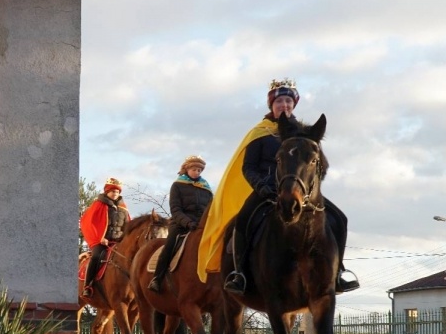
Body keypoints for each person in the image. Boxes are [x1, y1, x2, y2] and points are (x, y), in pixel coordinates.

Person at [197, 78, 359, 295]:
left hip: (301, 193)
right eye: (279, 101)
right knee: (242, 220)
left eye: (288, 101)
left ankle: (338, 272)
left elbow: (322, 166)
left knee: (340, 218)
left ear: (294, 105)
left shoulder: (305, 134)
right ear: (271, 105)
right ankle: (239, 274)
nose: (284, 105)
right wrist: (261, 186)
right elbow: (249, 167)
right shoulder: (260, 133)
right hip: (266, 191)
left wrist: (308, 188)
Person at [148, 154, 213, 292]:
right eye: (194, 169)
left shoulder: (206, 188)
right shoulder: (177, 185)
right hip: (181, 224)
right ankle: (157, 278)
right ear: (187, 169)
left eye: (199, 170)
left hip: (202, 225)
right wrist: (188, 223)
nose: (197, 172)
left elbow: (212, 208)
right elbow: (175, 209)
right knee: (169, 246)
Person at [80, 177, 129, 297]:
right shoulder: (99, 205)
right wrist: (100, 238)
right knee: (96, 257)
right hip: (102, 241)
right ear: (107, 191)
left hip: (118, 241)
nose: (115, 194)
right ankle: (88, 285)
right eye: (113, 191)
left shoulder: (123, 208)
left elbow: (127, 224)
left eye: (117, 192)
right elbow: (90, 222)